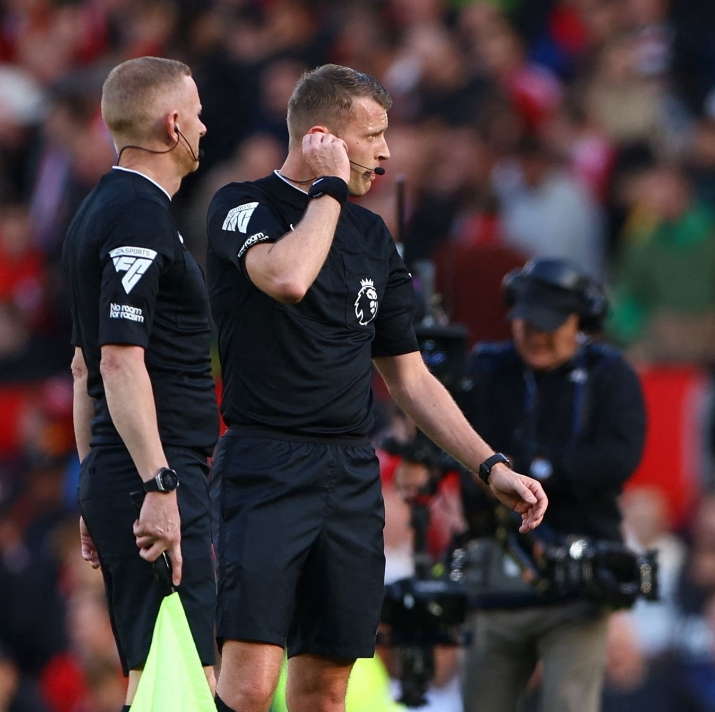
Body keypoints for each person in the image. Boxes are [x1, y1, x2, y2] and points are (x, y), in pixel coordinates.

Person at [204, 64, 548, 712]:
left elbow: (410, 377)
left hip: (350, 475)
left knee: (325, 690)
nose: (386, 152)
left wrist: (489, 465)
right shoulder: (242, 205)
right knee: (248, 685)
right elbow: (288, 278)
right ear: (322, 139)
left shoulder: (371, 238)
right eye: (373, 135)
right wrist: (329, 189)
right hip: (265, 465)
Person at [63, 56, 218, 710]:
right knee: (186, 680)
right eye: (198, 116)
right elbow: (118, 363)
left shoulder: (97, 210)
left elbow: (83, 368)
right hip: (156, 471)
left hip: (120, 469)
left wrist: (93, 481)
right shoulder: (139, 215)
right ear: (172, 124)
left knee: (154, 675)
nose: (205, 129)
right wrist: (159, 484)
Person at [437, 257, 646, 712]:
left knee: (569, 704)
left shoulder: (610, 374)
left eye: (549, 325)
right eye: (525, 322)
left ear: (580, 321)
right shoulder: (485, 369)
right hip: (493, 570)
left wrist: (531, 473)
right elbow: (444, 435)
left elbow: (619, 458)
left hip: (579, 578)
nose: (535, 335)